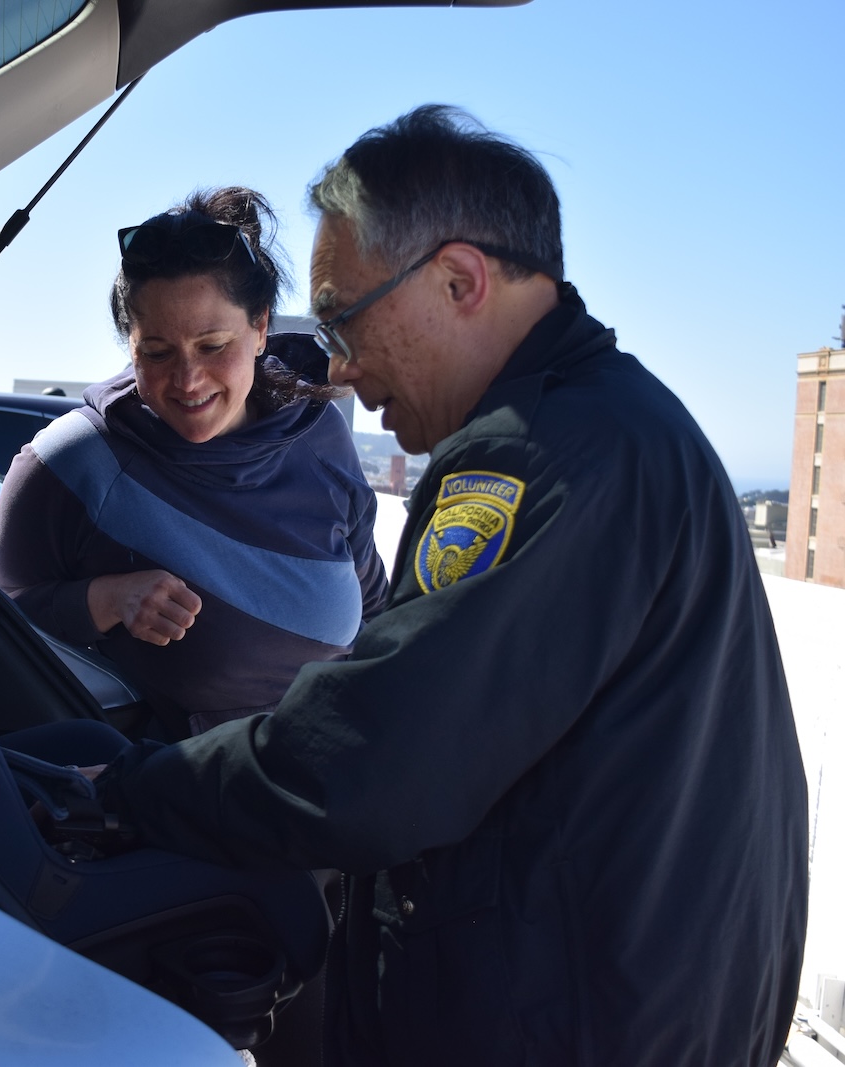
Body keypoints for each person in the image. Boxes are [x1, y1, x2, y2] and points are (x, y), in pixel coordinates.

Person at [90, 108, 808, 1066]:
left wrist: (133, 791)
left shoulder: (533, 456)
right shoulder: (624, 424)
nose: (338, 367)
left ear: (461, 280)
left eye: (343, 316)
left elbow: (372, 758)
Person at [0, 187, 388, 739]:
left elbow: (373, 608)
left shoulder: (317, 432)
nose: (188, 380)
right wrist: (105, 599)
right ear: (130, 345)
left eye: (214, 345)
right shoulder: (74, 461)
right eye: (157, 352)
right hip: (184, 799)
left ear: (262, 327)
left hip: (332, 778)